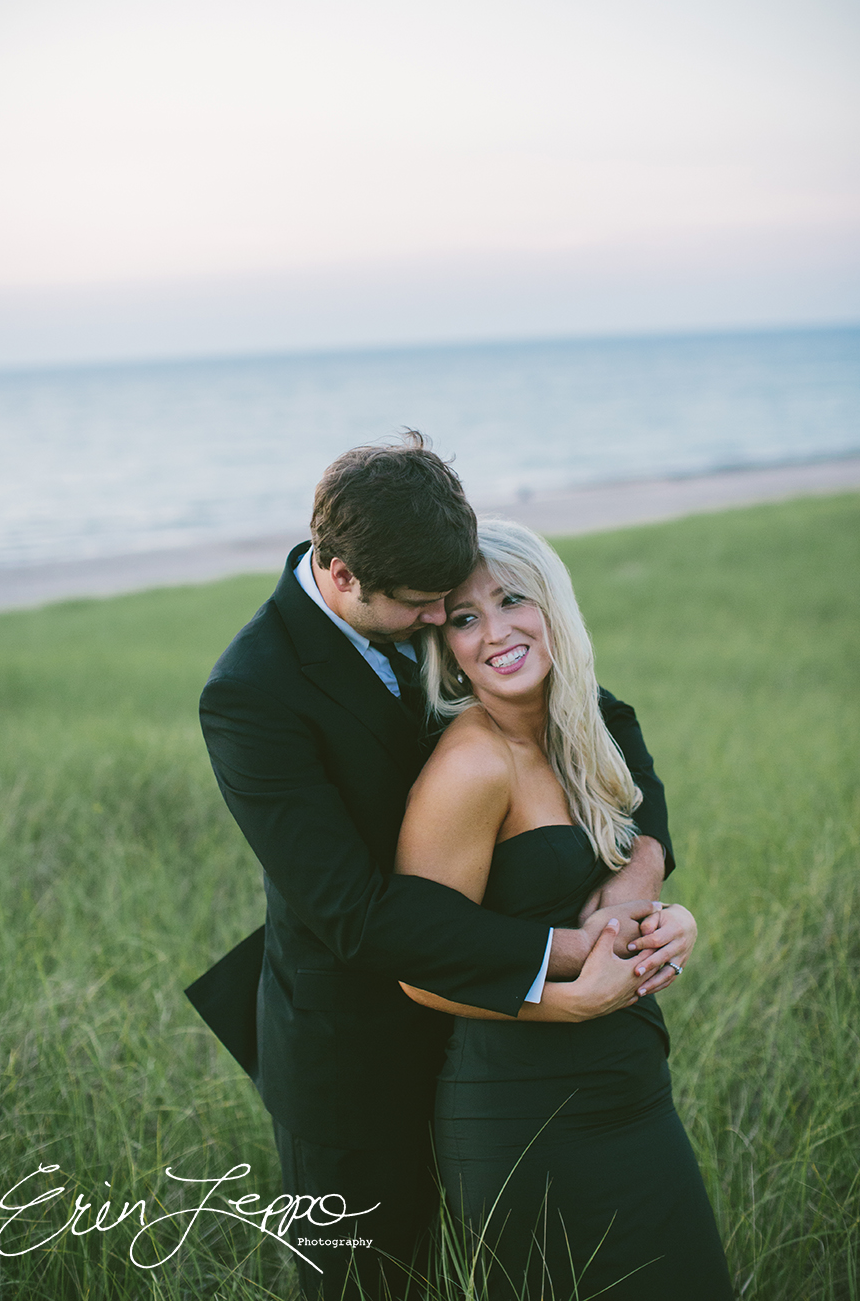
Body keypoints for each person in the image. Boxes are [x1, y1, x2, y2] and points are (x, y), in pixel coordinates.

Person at [187, 434, 677, 1301]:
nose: (442, 623)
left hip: (496, 1051)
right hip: (353, 1057)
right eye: (425, 607)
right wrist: (573, 951)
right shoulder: (250, 693)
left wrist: (639, 876)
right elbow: (355, 914)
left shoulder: (430, 585)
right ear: (341, 575)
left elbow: (597, 717)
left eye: (447, 604)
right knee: (374, 1286)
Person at [395, 518, 733, 1300]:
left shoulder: (584, 727)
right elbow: (417, 971)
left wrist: (664, 924)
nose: (495, 633)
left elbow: (639, 846)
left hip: (633, 1095)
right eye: (466, 618)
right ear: (445, 647)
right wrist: (572, 1005)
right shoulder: (472, 765)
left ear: (553, 604)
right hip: (524, 1121)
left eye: (513, 600)